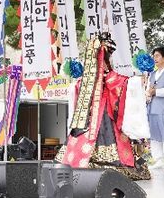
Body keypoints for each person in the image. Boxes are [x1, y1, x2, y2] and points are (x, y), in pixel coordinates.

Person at [61, 32, 150, 180]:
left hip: (97, 113)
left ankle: (83, 161)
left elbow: (116, 82)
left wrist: (133, 81)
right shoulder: (103, 76)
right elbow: (120, 82)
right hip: (100, 112)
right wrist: (134, 81)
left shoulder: (89, 78)